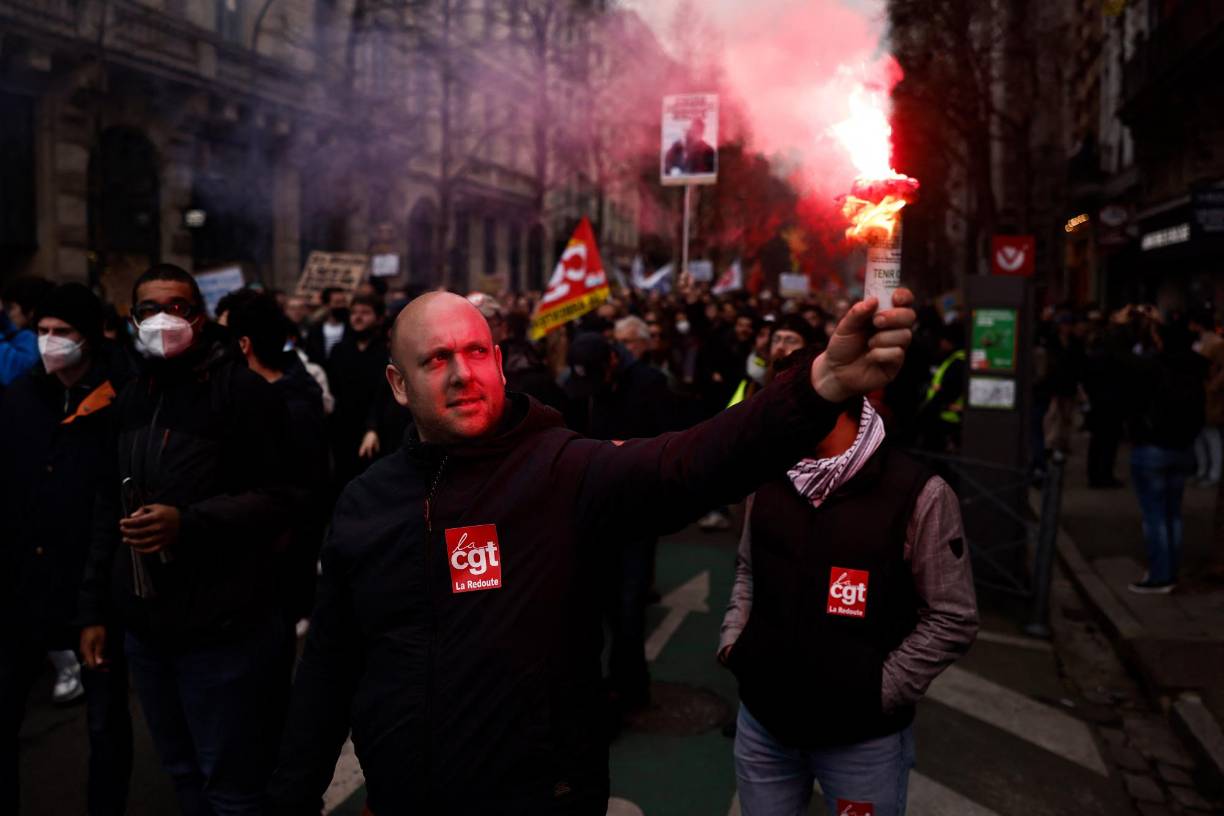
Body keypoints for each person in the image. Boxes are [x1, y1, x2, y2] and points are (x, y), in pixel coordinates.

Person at [266, 289, 917, 815]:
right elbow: (329, 666)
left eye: (476, 351)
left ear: (499, 360)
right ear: (398, 383)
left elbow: (688, 463)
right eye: (436, 360)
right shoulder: (366, 503)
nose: (463, 374)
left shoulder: (559, 470)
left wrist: (819, 386)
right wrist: (292, 797)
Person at [77, 264, 298, 815]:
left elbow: (286, 497)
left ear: (199, 317)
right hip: (147, 631)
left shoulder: (241, 392)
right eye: (149, 309)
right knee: (182, 773)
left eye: (177, 307)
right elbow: (107, 507)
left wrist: (189, 522)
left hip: (222, 629)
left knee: (233, 786)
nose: (163, 320)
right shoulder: (130, 396)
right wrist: (95, 609)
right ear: (132, 320)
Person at [718, 385, 977, 816]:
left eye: (790, 403)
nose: (775, 415)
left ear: (835, 404)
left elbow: (952, 617)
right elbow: (749, 567)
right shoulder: (768, 475)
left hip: (862, 744)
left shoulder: (921, 493)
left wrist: (878, 690)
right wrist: (735, 641)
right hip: (763, 726)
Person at [0, 283, 133, 816]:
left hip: (92, 595)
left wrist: (95, 603)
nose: (50, 341)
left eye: (63, 332)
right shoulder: (19, 398)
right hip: (21, 592)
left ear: (89, 337)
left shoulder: (120, 400)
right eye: (42, 331)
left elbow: (112, 504)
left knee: (105, 727)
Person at [565, 332, 679, 716]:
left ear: (612, 361)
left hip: (634, 510)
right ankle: (599, 683)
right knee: (594, 601)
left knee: (628, 604)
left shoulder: (650, 384)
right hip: (593, 509)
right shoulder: (581, 388)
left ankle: (628, 687)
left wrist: (628, 456)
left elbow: (669, 443)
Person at [227, 292, 331, 631]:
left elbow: (305, 484)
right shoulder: (283, 390)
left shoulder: (287, 403)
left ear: (244, 344)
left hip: (277, 547)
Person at [1118, 309, 1206, 593]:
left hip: (1153, 445)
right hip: (1182, 445)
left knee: (1155, 514)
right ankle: (1169, 570)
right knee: (1172, 513)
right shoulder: (1195, 367)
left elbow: (1133, 400)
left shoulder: (1151, 367)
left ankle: (1160, 573)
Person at [326, 293, 390, 490]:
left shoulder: (386, 353)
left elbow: (383, 395)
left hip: (375, 431)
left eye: (365, 312)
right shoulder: (339, 350)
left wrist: (373, 427)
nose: (358, 317)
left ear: (379, 318)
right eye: (354, 312)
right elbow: (333, 390)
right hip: (342, 429)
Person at [0, 275, 56, 393]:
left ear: (31, 311)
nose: (7, 313)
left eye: (10, 308)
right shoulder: (15, 334)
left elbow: (12, 374)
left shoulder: (32, 339)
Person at [304, 287, 350, 364]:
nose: (342, 306)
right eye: (337, 302)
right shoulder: (315, 330)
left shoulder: (352, 328)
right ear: (326, 305)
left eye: (344, 302)